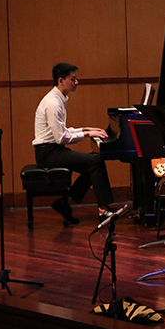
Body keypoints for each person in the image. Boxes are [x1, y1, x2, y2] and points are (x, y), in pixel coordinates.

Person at [33, 62, 121, 226]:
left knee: (93, 163)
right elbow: (61, 138)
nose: (76, 82)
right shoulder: (53, 103)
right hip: (48, 153)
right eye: (73, 79)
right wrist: (86, 134)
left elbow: (62, 131)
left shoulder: (58, 98)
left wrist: (86, 129)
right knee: (95, 162)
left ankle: (65, 202)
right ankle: (103, 210)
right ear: (61, 81)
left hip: (52, 150)